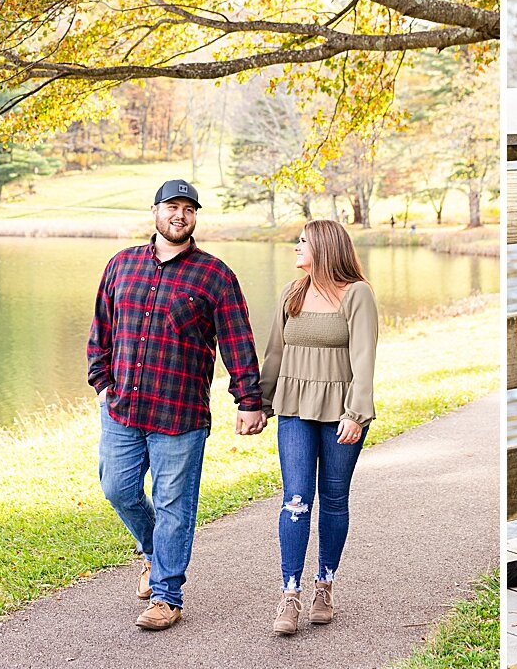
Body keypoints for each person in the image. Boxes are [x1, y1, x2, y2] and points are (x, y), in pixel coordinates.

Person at [86, 179, 267, 632]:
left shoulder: (215, 275)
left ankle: (167, 595)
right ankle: (153, 553)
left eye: (188, 208)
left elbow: (237, 340)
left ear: (195, 217)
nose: (179, 215)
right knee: (117, 489)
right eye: (172, 206)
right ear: (155, 211)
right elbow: (100, 331)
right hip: (122, 407)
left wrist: (249, 399)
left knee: (173, 504)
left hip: (180, 414)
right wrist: (102, 383)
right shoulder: (121, 265)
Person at [260, 218, 379, 635]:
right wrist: (257, 402)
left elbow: (364, 358)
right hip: (293, 408)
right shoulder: (292, 292)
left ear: (324, 248)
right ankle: (289, 594)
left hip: (340, 411)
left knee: (333, 498)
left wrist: (356, 412)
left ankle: (324, 585)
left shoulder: (356, 294)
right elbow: (275, 352)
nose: (296, 246)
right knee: (295, 499)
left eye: (303, 241)